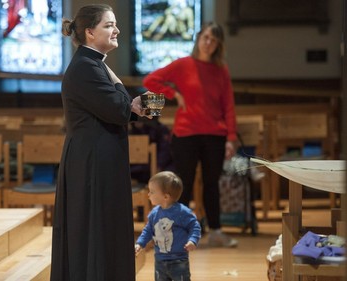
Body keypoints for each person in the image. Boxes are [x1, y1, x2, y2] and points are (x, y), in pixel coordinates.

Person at [50, 4, 150, 280]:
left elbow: (116, 107)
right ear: (90, 32)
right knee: (94, 229)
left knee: (102, 227)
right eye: (109, 25)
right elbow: (118, 109)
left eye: (115, 24)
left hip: (96, 157)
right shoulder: (86, 67)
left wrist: (130, 104)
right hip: (91, 162)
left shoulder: (93, 64)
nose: (116, 30)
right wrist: (125, 97)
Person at [143, 21, 238, 247]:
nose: (208, 43)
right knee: (181, 184)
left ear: (218, 45)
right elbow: (150, 80)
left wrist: (231, 137)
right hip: (186, 134)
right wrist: (173, 93)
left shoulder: (220, 69)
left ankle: (215, 230)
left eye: (213, 40)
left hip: (215, 134)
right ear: (198, 38)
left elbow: (229, 106)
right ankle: (179, 232)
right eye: (205, 37)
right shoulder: (184, 65)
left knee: (211, 183)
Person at [135, 171, 201, 281]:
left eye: (152, 192)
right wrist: (139, 243)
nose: (148, 194)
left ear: (165, 196)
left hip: (179, 261)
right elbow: (148, 230)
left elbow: (195, 226)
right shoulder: (154, 213)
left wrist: (193, 240)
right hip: (160, 261)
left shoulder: (182, 212)